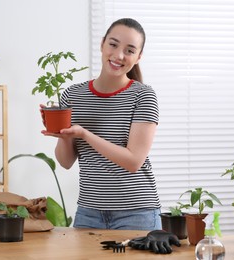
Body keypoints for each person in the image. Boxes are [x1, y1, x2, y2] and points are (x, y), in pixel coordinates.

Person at [41, 18, 161, 230]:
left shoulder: (143, 96)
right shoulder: (72, 95)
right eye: (113, 45)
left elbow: (134, 161)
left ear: (139, 57)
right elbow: (66, 162)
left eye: (130, 50)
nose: (119, 55)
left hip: (136, 213)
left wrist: (85, 135)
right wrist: (64, 137)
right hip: (89, 213)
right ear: (102, 44)